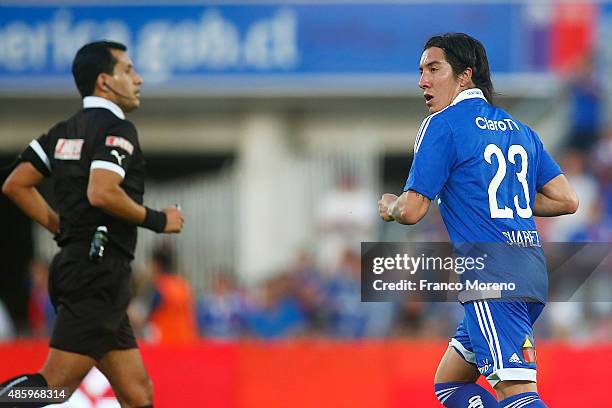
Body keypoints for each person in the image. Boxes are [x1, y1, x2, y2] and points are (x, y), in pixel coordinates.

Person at [378, 33, 578, 407]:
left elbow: (412, 211)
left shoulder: (442, 124)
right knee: (450, 384)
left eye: (434, 69)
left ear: (465, 75)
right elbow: (567, 200)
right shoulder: (520, 130)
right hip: (531, 274)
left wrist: (389, 205)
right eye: (421, 71)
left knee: (516, 393)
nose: (423, 80)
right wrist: (496, 195)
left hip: (492, 278)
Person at [1, 41, 184, 407]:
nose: (139, 79)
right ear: (105, 81)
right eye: (128, 70)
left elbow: (16, 184)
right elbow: (102, 192)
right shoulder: (118, 128)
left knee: (137, 393)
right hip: (98, 272)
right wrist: (159, 219)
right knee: (53, 387)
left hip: (82, 266)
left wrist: (63, 228)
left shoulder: (62, 131)